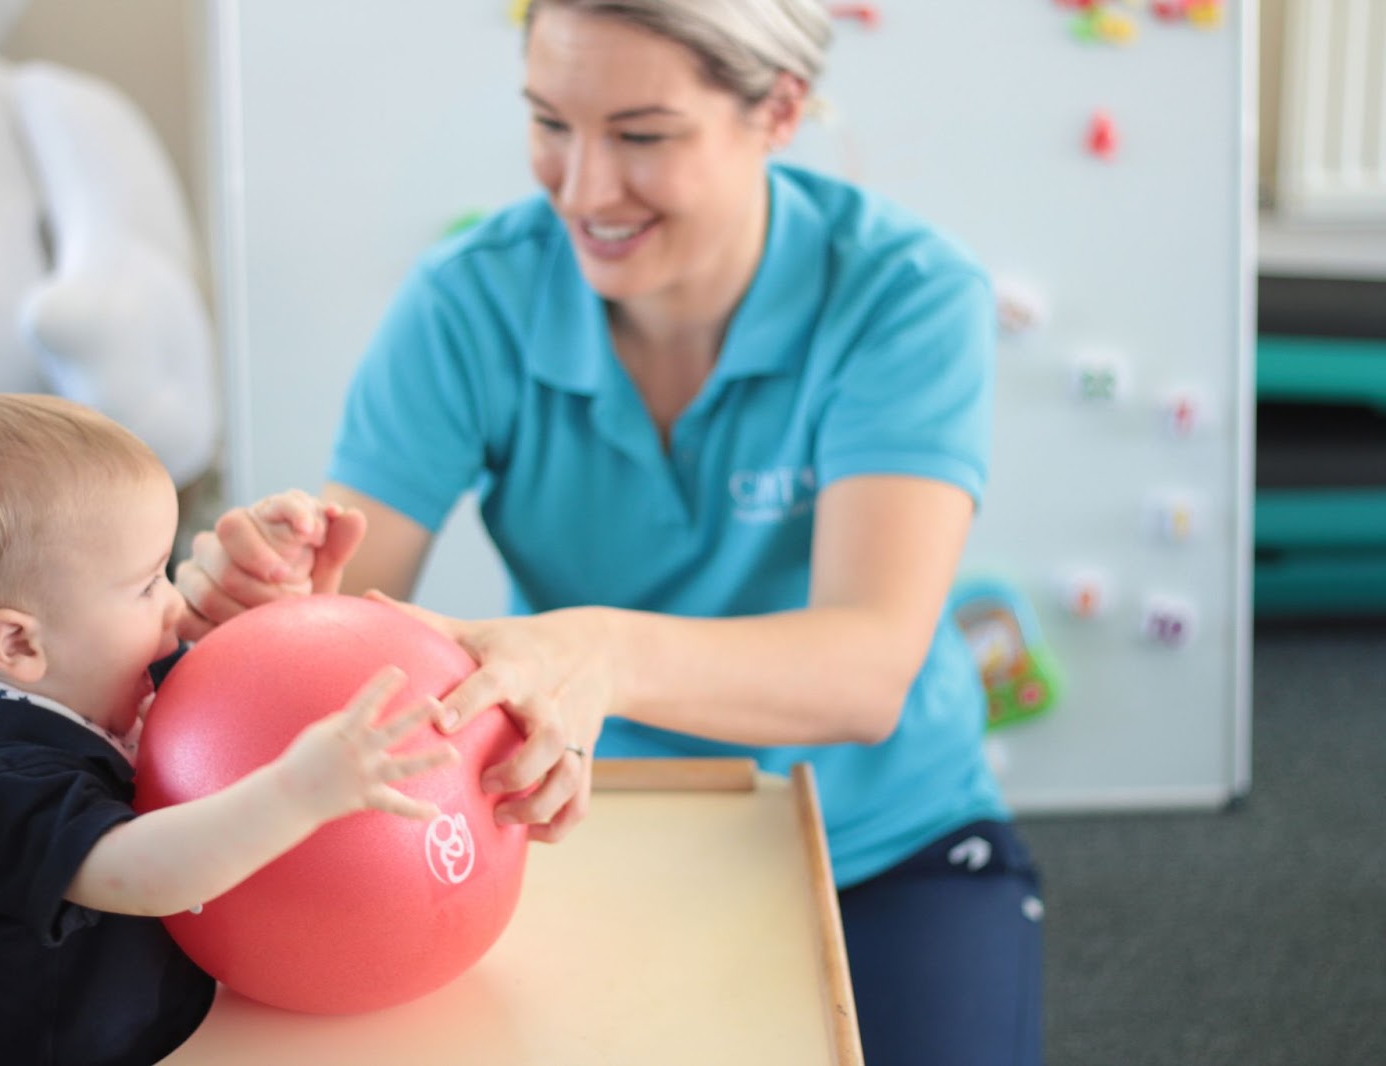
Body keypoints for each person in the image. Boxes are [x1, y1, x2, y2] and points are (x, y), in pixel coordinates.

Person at [178, 1, 1043, 1063]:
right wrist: (259, 611)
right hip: (585, 819)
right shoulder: (468, 301)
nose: (584, 190)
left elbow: (864, 670)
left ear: (776, 110)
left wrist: (593, 648)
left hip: (887, 838)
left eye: (641, 135)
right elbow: (347, 604)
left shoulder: (903, 295)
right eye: (550, 122)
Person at [0, 393, 457, 1066]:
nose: (175, 601)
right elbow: (145, 871)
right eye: (146, 586)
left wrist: (279, 584)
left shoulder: (77, 673)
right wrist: (300, 791)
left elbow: (217, 690)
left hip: (187, 1027)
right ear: (18, 645)